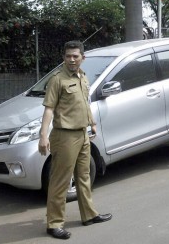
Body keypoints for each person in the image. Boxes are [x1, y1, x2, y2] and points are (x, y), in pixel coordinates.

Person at [38, 41, 112, 240]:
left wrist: (92, 122)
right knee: (60, 181)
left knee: (84, 177)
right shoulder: (57, 80)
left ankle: (89, 215)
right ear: (64, 57)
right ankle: (54, 224)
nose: (72, 59)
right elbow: (48, 109)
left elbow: (84, 102)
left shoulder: (83, 77)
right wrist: (43, 135)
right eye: (68, 56)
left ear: (82, 58)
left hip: (83, 134)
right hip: (64, 136)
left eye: (75, 56)